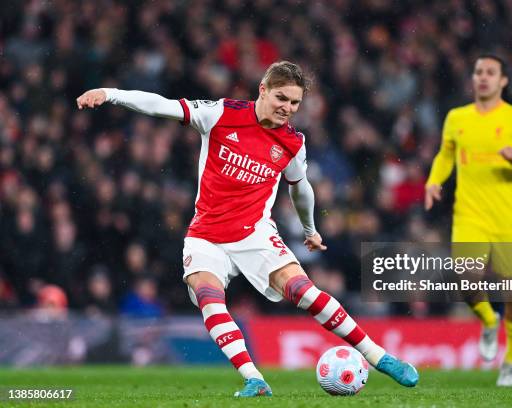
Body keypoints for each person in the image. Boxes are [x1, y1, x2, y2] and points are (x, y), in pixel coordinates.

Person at [77, 61, 418, 397]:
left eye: (295, 102)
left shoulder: (291, 143)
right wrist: (110, 94)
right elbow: (161, 106)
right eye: (281, 98)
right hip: (206, 234)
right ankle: (254, 379)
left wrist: (310, 229)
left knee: (305, 293)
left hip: (255, 233)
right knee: (209, 298)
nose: (287, 108)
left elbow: (301, 188)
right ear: (263, 90)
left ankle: (379, 357)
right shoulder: (221, 114)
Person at [425, 55, 512, 386]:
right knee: (465, 277)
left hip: (507, 220)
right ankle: (487, 319)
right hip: (468, 215)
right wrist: (433, 180)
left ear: (503, 81)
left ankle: (510, 361)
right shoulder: (457, 117)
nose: (483, 77)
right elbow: (446, 155)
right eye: (479, 71)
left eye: (490, 73)